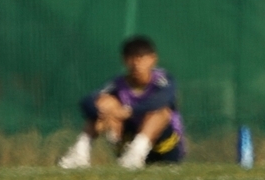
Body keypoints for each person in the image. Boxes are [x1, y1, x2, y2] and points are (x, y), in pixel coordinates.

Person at [57, 35, 185, 170]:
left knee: (161, 112)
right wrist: (105, 114)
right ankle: (80, 152)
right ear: (124, 60)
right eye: (131, 58)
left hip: (164, 148)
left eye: (141, 58)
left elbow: (162, 100)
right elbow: (87, 101)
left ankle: (137, 152)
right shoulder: (117, 84)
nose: (136, 64)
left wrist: (128, 111)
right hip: (127, 145)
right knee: (105, 103)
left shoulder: (163, 80)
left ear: (153, 59)